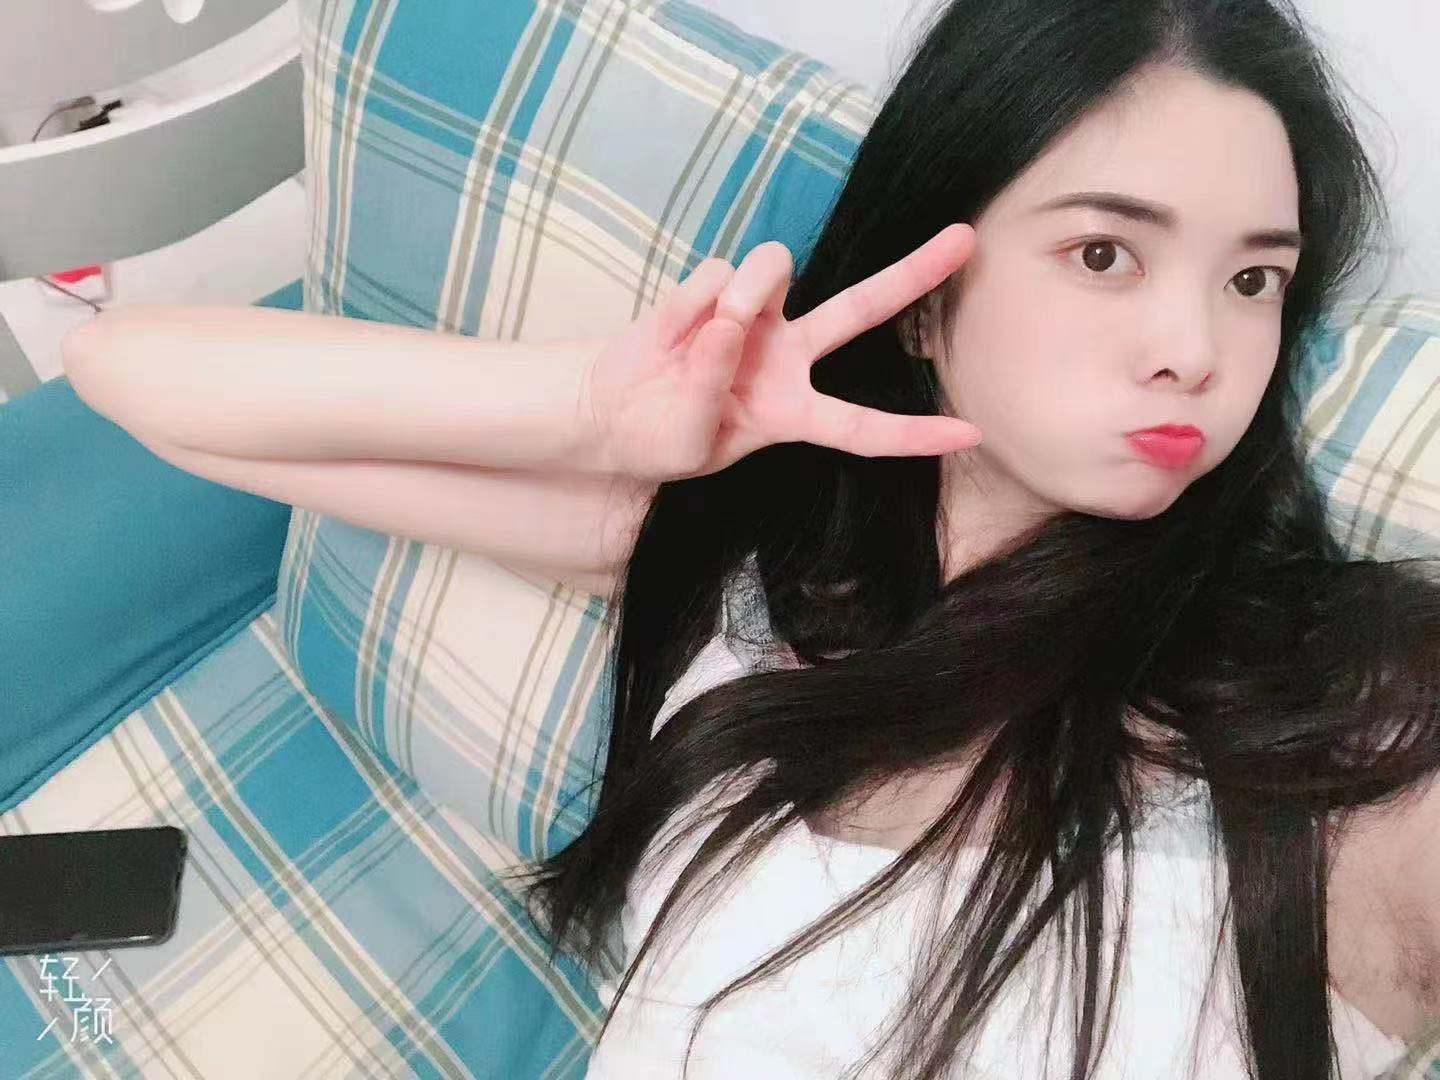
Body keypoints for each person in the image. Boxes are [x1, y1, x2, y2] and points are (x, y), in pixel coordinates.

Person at [56, 0, 1440, 1077]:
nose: (1198, 349)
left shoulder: (1356, 716)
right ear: (924, 299)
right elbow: (138, 376)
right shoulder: (759, 562)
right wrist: (587, 410)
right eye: (1104, 254)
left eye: (1255, 278)